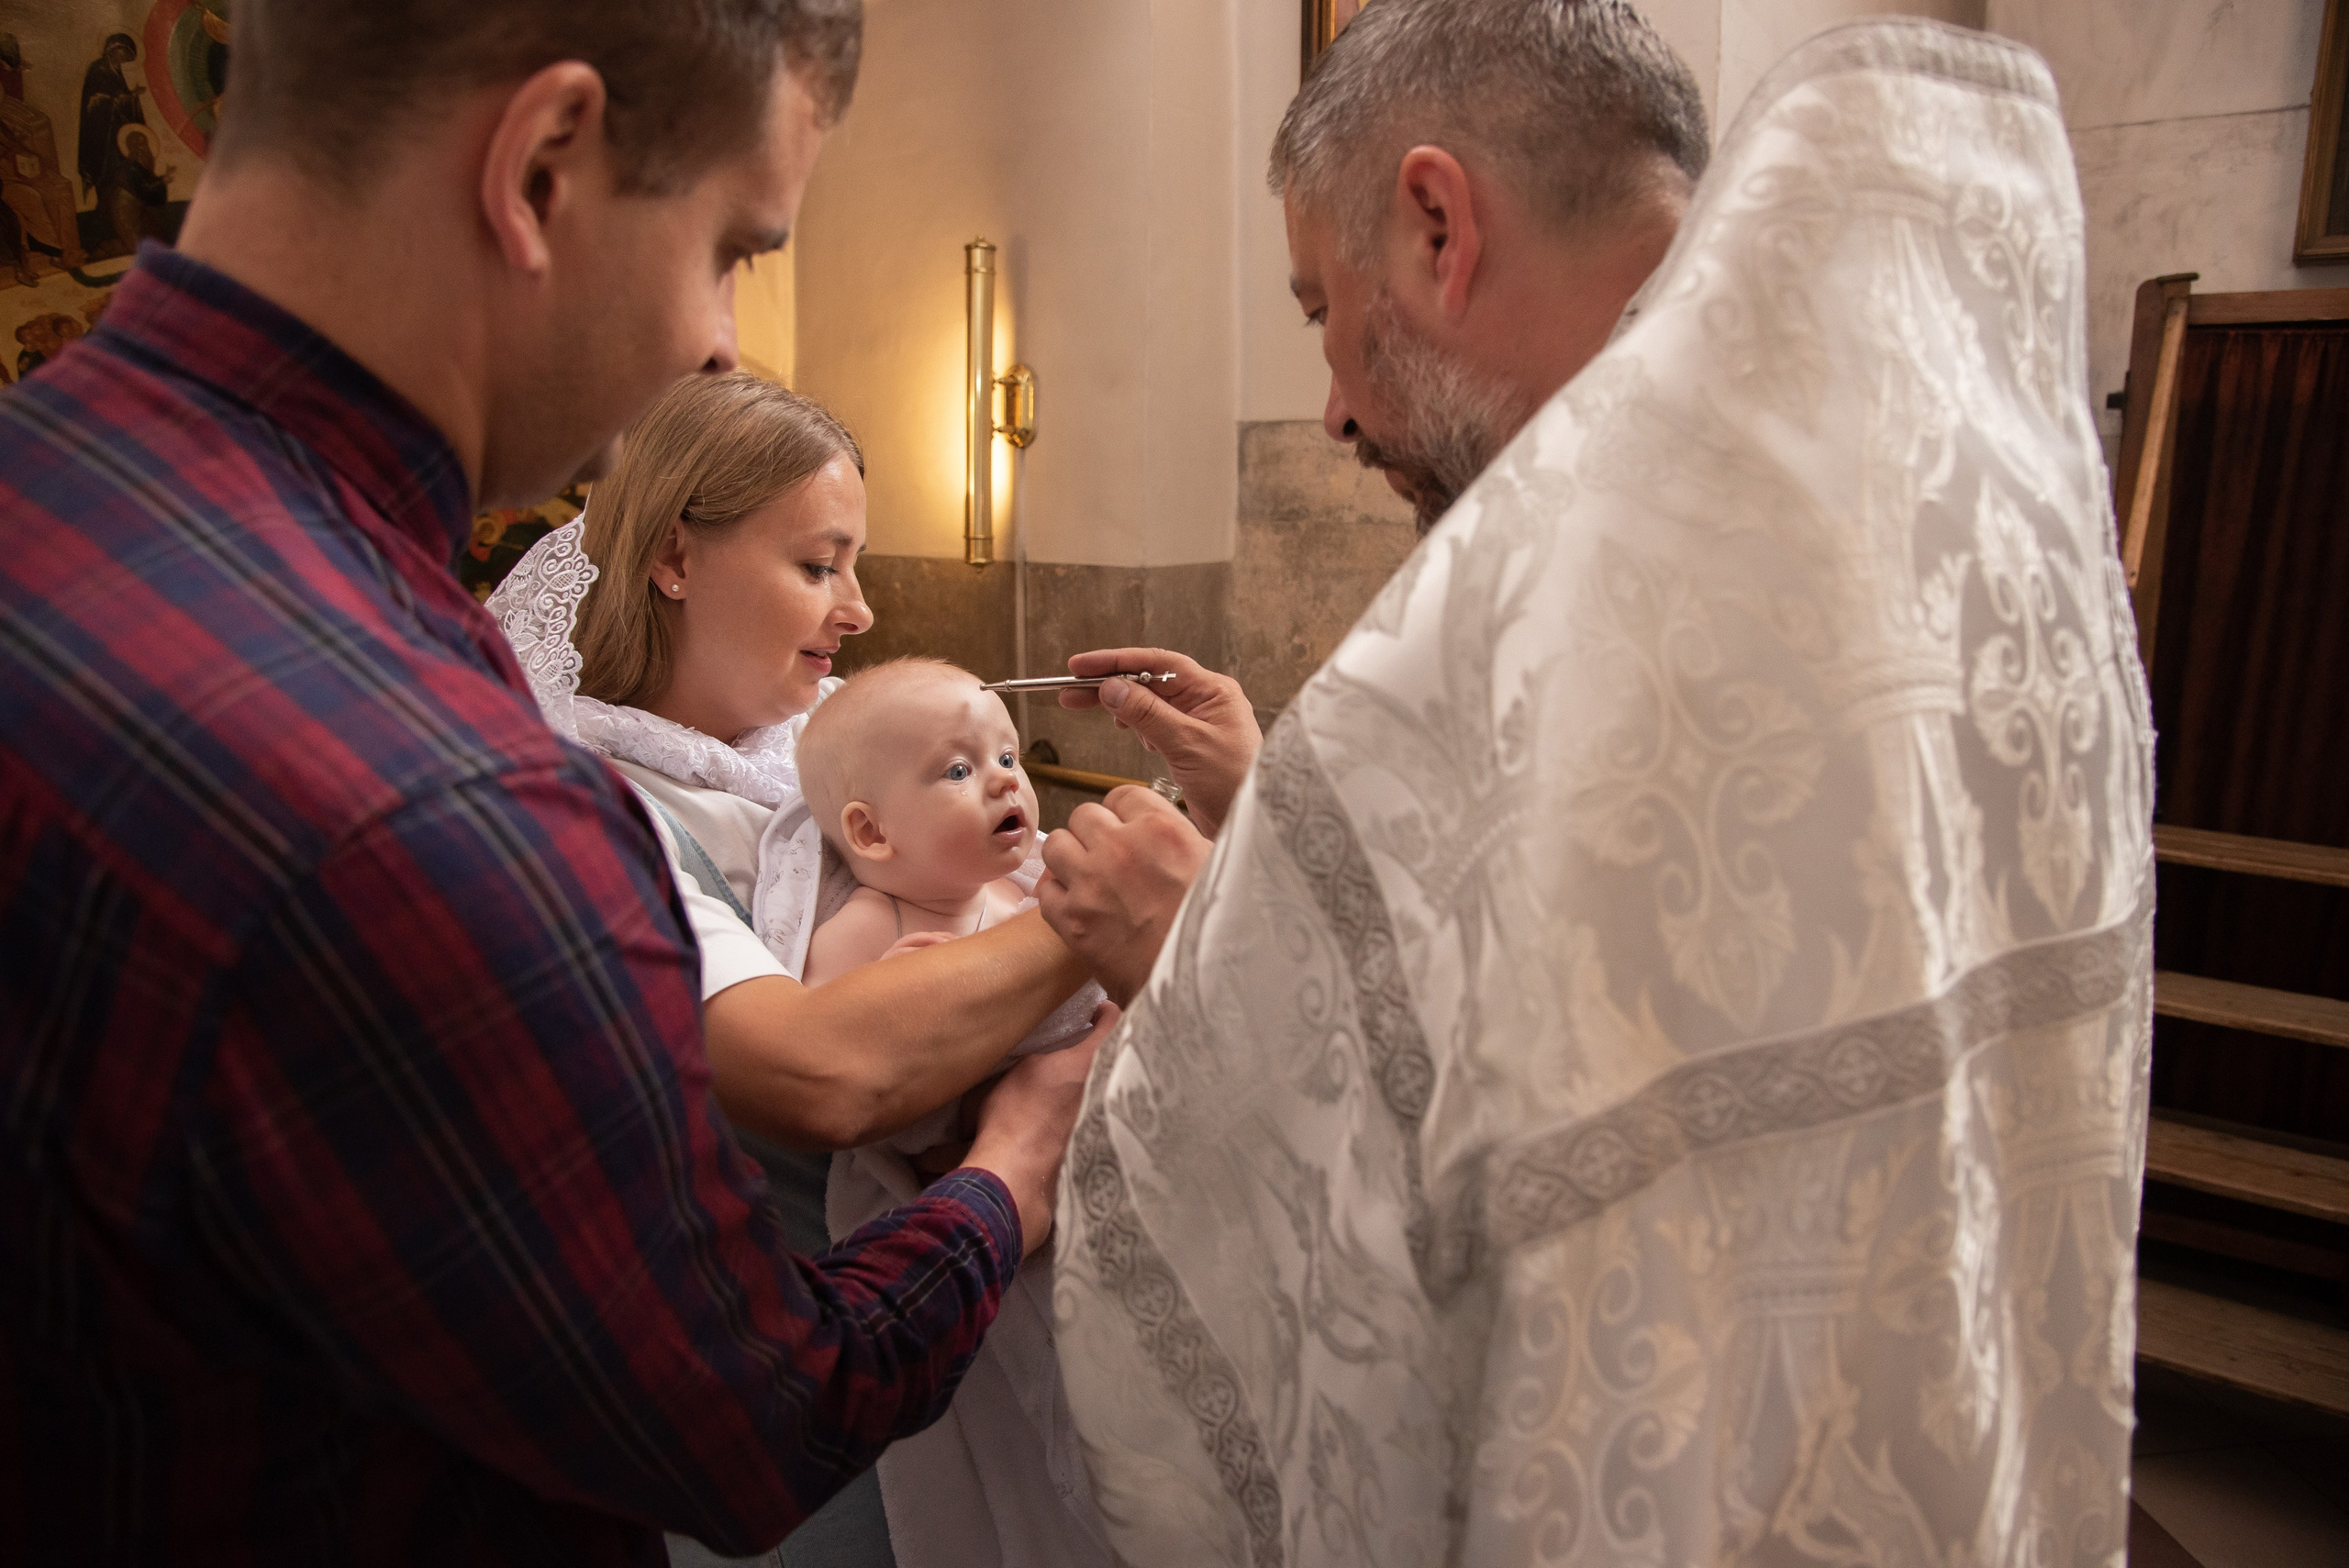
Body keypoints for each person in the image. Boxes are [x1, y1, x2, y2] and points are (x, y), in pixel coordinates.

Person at [1041, 6, 2154, 1566]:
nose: (1337, 408)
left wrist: (1195, 964)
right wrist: (1287, 797)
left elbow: (1504, 1130)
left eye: (1321, 311)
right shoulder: (1947, 497)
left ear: (1437, 222)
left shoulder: (1591, 566)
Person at [0, 3, 1101, 1563]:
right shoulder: (443, 790)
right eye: (728, 244)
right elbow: (755, 1410)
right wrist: (1015, 1165)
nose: (722, 337)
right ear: (540, 169)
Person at [489, 374, 1108, 1566]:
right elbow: (827, 1073)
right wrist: (1095, 921)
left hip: (961, 1324)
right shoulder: (588, 799)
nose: (862, 611)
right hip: (783, 1372)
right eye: (820, 566)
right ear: (675, 558)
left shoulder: (832, 750)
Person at [791, 656, 1114, 1568]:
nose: (1007, 778)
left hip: (1083, 1156)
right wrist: (893, 997)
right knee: (1026, 1428)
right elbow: (847, 1049)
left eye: (1006, 755)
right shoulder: (872, 924)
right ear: (872, 831)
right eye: (959, 769)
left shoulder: (1027, 886)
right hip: (979, 1204)